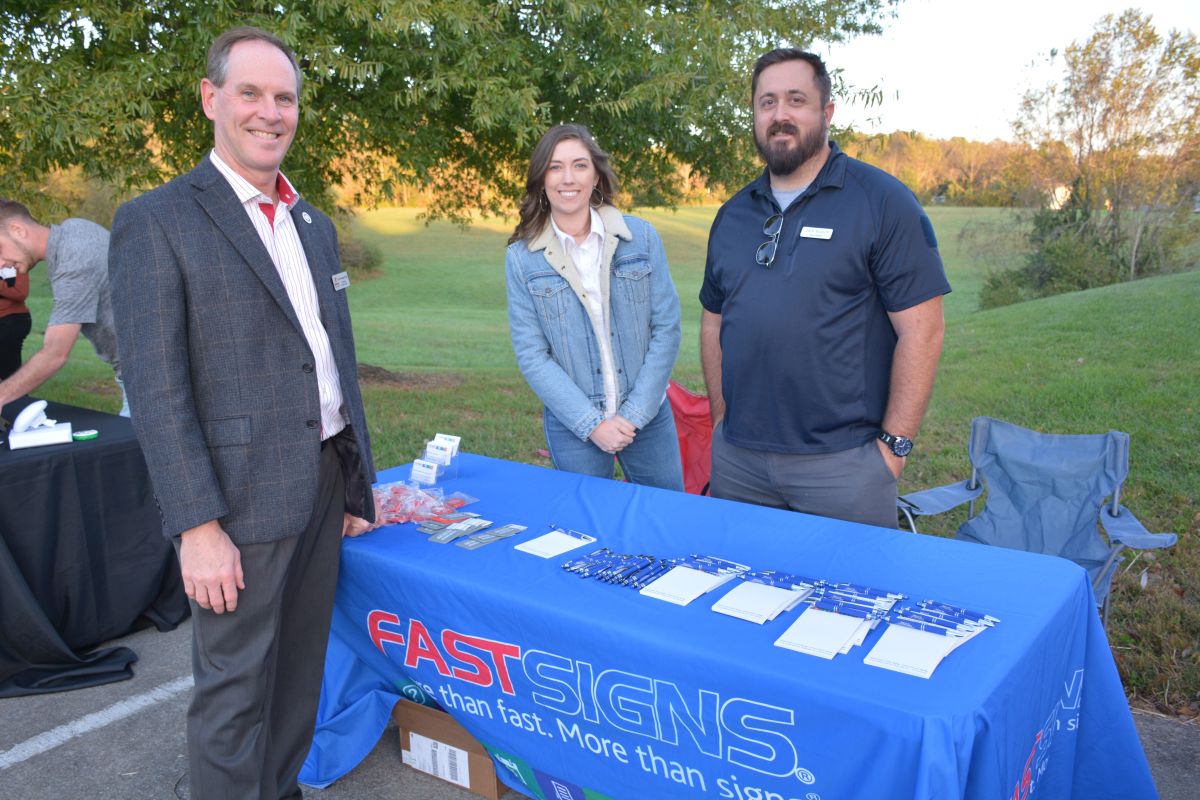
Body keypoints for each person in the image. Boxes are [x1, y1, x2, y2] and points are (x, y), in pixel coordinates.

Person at [108, 27, 376, 800]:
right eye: (250, 93)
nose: (270, 112)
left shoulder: (311, 222)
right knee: (235, 695)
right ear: (211, 98)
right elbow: (156, 388)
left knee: (298, 676)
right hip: (235, 500)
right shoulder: (157, 219)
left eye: (284, 97)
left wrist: (352, 480)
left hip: (321, 481)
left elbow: (328, 359)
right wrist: (197, 526)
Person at [699, 49, 949, 528]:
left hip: (844, 467)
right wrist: (720, 422)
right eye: (767, 102)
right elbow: (714, 323)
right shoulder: (733, 215)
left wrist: (893, 448)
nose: (780, 115)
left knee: (849, 580)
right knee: (738, 577)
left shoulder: (882, 202)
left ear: (826, 112)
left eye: (796, 100)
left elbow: (923, 331)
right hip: (739, 464)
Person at [506, 123, 684, 491]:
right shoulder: (522, 258)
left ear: (596, 175)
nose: (567, 178)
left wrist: (634, 414)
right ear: (541, 179)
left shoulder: (641, 238)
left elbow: (666, 328)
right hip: (574, 423)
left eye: (579, 165)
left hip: (648, 414)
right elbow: (532, 355)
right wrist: (592, 425)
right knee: (587, 521)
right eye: (555, 167)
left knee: (667, 515)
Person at [0, 199, 125, 414]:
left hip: (151, 376)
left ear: (18, 230)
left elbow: (54, 354)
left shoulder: (73, 264)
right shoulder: (75, 228)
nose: (1, 264)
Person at [0, 264, 30, 380]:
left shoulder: (16, 263)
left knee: (9, 371)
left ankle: (14, 390)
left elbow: (20, 293)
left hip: (10, 320)